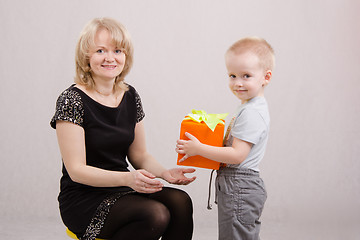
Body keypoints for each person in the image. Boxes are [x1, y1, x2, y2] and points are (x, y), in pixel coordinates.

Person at [50, 17, 196, 240]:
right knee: (155, 214)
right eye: (100, 50)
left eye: (117, 50)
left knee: (180, 202)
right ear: (86, 56)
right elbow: (77, 170)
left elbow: (139, 155)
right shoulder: (72, 99)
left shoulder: (130, 95)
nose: (110, 58)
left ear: (125, 56)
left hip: (122, 189)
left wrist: (165, 173)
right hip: (84, 197)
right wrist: (128, 179)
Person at [176, 37, 274, 239]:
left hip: (240, 186)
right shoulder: (249, 107)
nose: (238, 83)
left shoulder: (252, 112)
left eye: (246, 76)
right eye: (232, 75)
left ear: (266, 77)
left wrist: (199, 148)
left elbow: (237, 155)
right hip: (239, 185)